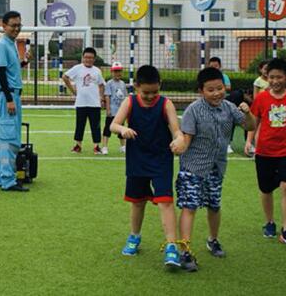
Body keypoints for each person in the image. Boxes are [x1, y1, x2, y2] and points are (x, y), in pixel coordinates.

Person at [174, 67, 256, 271]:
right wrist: (179, 146)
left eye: (219, 88)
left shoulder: (229, 107)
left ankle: (213, 240)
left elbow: (250, 126)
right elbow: (187, 139)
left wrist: (249, 112)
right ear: (201, 91)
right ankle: (184, 251)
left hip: (216, 167)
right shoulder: (193, 110)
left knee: (214, 205)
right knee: (189, 206)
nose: (216, 93)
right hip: (192, 167)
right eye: (210, 90)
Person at [110, 65, 185, 269]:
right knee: (137, 202)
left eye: (155, 91)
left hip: (161, 159)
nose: (151, 96)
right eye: (146, 92)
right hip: (137, 159)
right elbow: (113, 125)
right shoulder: (130, 101)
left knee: (166, 201)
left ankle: (171, 246)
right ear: (136, 87)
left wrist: (179, 140)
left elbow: (176, 130)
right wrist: (123, 129)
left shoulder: (165, 104)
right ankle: (134, 236)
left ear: (160, 86)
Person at [246, 58, 286, 247]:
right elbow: (254, 122)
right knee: (266, 189)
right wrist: (249, 141)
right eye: (271, 77)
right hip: (264, 151)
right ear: (266, 77)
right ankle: (269, 222)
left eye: (279, 77)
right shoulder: (261, 98)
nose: (275, 81)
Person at [0, 11, 29, 192]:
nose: (16, 28)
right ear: (3, 26)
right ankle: (7, 179)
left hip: (14, 95)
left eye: (18, 25)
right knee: (9, 140)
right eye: (13, 25)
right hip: (9, 97)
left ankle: (2, 175)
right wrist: (8, 99)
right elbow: (0, 73)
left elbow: (8, 70)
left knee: (9, 138)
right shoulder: (2, 45)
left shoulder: (10, 44)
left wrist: (22, 64)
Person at [63, 47, 106, 154]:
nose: (88, 59)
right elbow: (65, 77)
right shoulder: (77, 68)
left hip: (94, 103)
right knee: (80, 125)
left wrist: (102, 98)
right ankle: (78, 145)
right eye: (86, 57)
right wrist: (73, 90)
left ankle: (96, 146)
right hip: (81, 103)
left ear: (94, 59)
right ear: (82, 58)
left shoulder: (97, 71)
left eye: (91, 58)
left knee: (95, 125)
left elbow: (101, 85)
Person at [244, 60, 271, 155]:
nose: (266, 71)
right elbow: (255, 97)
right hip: (260, 108)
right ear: (260, 70)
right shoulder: (258, 81)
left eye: (269, 69)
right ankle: (257, 149)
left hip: (271, 108)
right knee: (257, 128)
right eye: (265, 69)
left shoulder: (273, 80)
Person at [102, 62, 127, 154]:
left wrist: (126, 110)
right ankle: (104, 147)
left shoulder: (123, 84)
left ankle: (123, 146)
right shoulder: (109, 83)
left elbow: (125, 97)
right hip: (112, 110)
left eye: (119, 71)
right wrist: (108, 109)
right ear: (112, 72)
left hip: (121, 111)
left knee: (121, 129)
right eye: (115, 71)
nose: (118, 73)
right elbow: (107, 96)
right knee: (107, 128)